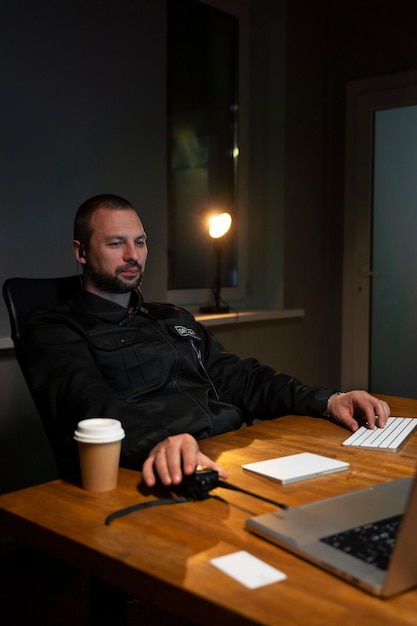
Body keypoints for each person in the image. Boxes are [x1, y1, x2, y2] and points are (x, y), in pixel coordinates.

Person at [24, 194, 390, 488]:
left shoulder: (171, 318)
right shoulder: (56, 331)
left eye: (140, 242)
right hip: (163, 469)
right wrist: (159, 442)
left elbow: (240, 378)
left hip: (232, 456)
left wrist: (329, 399)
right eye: (116, 243)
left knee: (356, 491)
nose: (133, 255)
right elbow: (90, 407)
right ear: (81, 252)